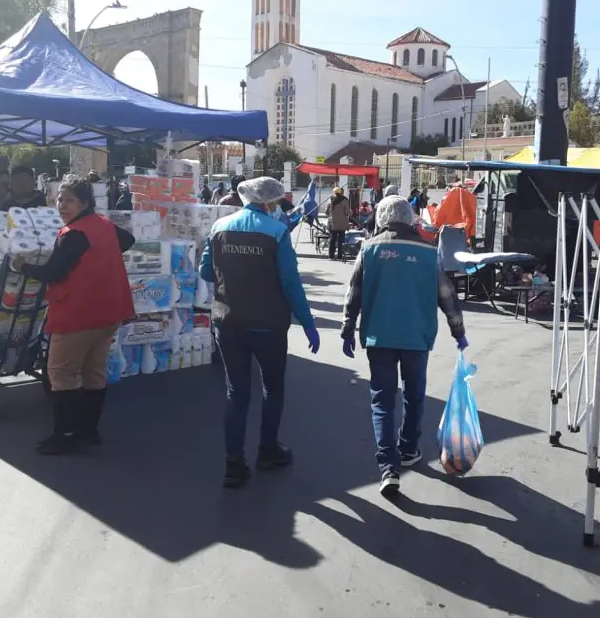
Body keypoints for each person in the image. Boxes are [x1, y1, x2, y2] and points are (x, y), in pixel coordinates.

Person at [340, 196, 468, 498]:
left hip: (379, 337)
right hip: (416, 338)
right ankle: (409, 448)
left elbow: (353, 292)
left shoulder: (368, 249)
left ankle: (388, 467)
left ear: (382, 217)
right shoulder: (427, 252)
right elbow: (446, 295)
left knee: (382, 401)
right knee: (414, 396)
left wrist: (348, 327)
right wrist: (458, 331)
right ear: (410, 218)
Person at [199, 176, 320, 488]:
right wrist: (307, 323)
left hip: (228, 320)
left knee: (235, 393)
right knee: (272, 387)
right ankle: (268, 451)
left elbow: (204, 271)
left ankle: (233, 463)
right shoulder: (277, 232)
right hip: (268, 324)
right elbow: (290, 283)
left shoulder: (219, 227)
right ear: (269, 202)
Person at [10, 176, 136, 455]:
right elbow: (129, 239)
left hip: (79, 313)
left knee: (61, 372)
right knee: (93, 372)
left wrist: (23, 266)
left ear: (85, 203)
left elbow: (54, 272)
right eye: (59, 199)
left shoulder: (75, 235)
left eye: (69, 200)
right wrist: (99, 262)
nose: (62, 205)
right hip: (109, 310)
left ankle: (65, 434)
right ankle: (88, 431)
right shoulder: (102, 225)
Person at [324, 186, 352, 261]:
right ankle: (340, 256)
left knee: (332, 240)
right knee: (341, 240)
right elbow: (347, 213)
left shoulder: (330, 200)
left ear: (333, 192)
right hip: (342, 224)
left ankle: (331, 256)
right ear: (341, 192)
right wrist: (350, 212)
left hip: (332, 223)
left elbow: (326, 212)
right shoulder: (345, 200)